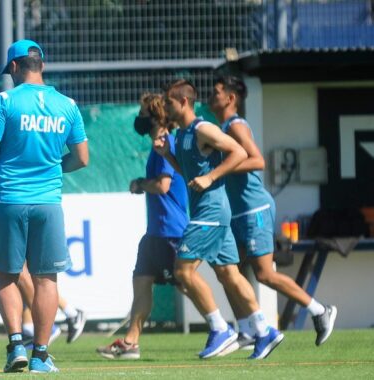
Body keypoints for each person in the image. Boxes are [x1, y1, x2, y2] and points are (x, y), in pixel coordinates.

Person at [0, 39, 89, 373]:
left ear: (15, 67)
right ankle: (41, 356)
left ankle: (16, 346)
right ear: (41, 65)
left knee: (7, 276)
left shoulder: (6, 100)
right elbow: (81, 159)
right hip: (48, 202)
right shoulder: (68, 105)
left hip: (9, 200)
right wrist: (50, 167)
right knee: (47, 280)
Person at [154, 79, 283, 360]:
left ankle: (219, 328)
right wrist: (168, 156)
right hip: (209, 211)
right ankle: (264, 330)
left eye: (169, 103)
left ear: (184, 102)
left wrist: (212, 176)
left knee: (183, 272)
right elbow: (191, 175)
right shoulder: (185, 133)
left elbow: (240, 152)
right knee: (228, 273)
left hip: (211, 211)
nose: (165, 107)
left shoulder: (203, 128)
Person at [209, 75, 336, 350]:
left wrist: (218, 170)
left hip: (254, 208)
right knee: (228, 271)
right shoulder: (221, 127)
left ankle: (319, 310)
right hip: (238, 212)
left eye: (217, 92)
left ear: (231, 98)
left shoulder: (236, 125)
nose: (211, 96)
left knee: (264, 274)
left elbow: (257, 160)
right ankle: (245, 329)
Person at [96, 93, 189, 360]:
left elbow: (163, 185)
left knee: (187, 284)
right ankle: (130, 343)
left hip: (171, 230)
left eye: (142, 114)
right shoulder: (157, 145)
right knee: (141, 280)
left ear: (156, 116)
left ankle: (226, 327)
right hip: (156, 231)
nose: (139, 119)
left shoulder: (165, 143)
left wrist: (139, 185)